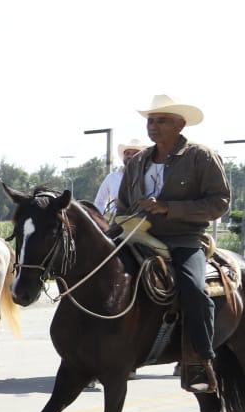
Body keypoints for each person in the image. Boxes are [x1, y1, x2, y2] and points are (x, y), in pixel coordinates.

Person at [117, 94, 230, 394]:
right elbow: (122, 204)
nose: (153, 126)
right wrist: (125, 219)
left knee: (194, 290)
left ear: (180, 124)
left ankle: (199, 360)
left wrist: (168, 208)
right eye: (150, 121)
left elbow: (219, 203)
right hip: (137, 236)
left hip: (183, 239)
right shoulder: (138, 161)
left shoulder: (201, 157)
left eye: (161, 120)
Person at [93, 139, 146, 217]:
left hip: (141, 222)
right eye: (127, 153)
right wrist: (103, 219)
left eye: (135, 153)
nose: (130, 156)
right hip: (114, 222)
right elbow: (99, 202)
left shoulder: (147, 176)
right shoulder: (111, 177)